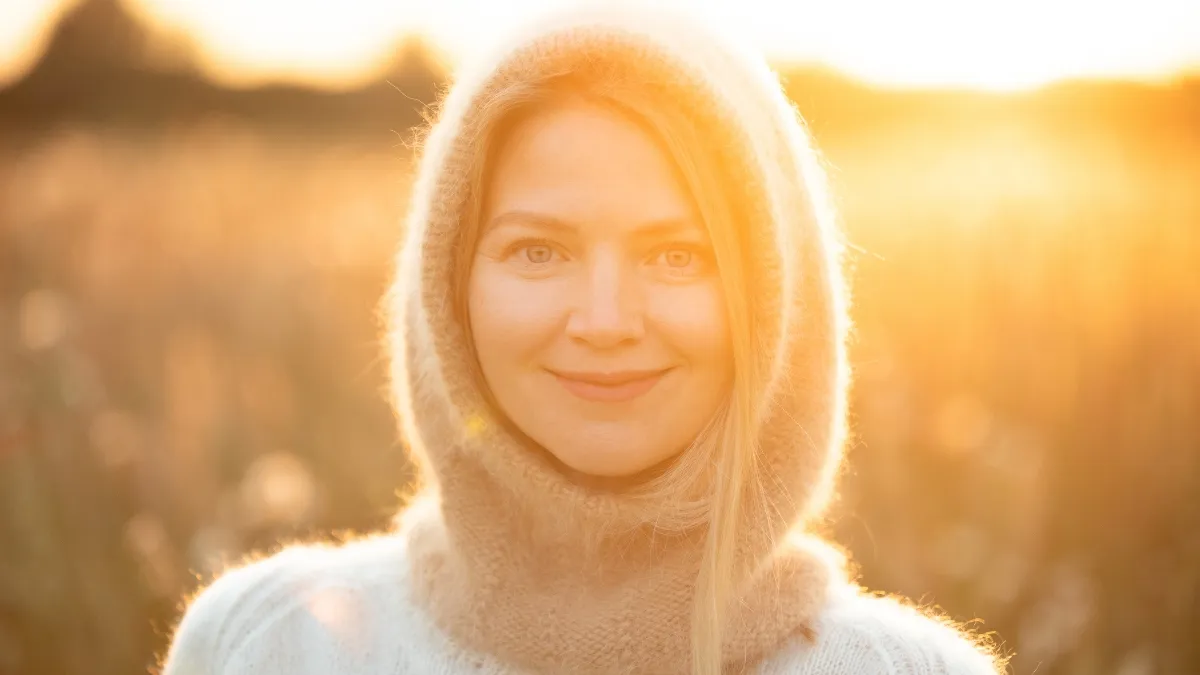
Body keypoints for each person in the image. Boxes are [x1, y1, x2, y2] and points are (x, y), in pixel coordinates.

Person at [161, 4, 1007, 674]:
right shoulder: (263, 645)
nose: (604, 321)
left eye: (679, 256)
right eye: (539, 250)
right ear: (449, 292)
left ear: (775, 301)